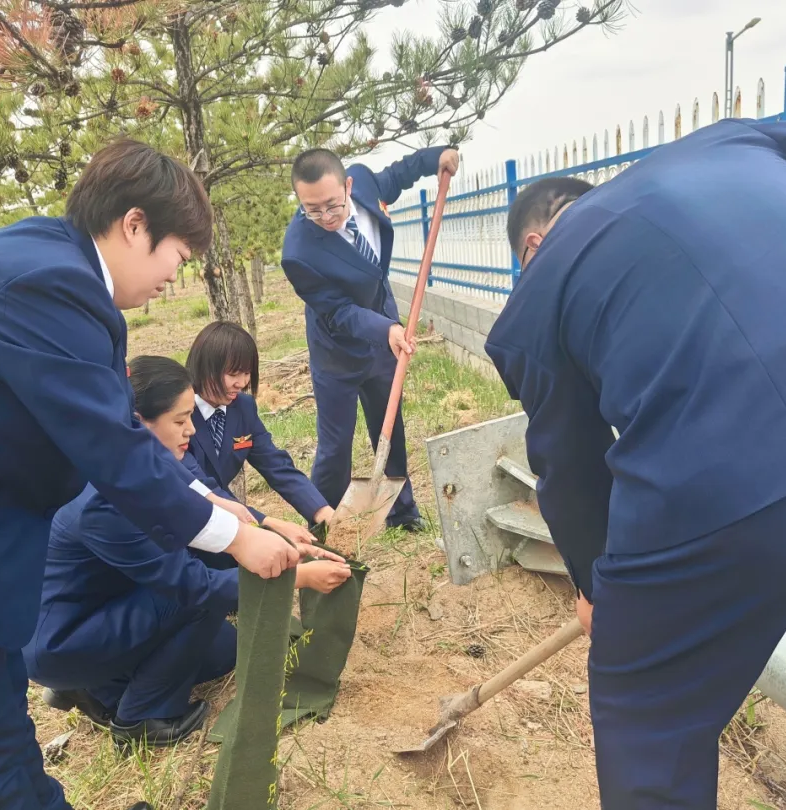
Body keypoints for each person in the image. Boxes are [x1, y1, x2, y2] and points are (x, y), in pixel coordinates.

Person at [0, 139, 320, 810]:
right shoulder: (51, 284)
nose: (173, 280)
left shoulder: (50, 267)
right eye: (177, 258)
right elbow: (112, 450)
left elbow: (123, 434)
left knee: (2, 745)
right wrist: (236, 540)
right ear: (133, 225)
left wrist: (219, 505)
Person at [486, 118, 786, 810]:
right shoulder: (735, 145)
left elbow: (567, 467)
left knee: (646, 712)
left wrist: (601, 588)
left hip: (725, 484)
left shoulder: (543, 284)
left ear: (532, 245)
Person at [24, 355, 349, 747]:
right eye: (179, 421)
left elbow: (205, 504)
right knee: (201, 595)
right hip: (64, 640)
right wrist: (296, 578)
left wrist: (267, 529)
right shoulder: (103, 500)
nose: (191, 430)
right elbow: (194, 586)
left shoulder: (137, 457)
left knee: (224, 653)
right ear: (140, 422)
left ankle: (96, 688)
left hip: (103, 606)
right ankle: (141, 718)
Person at [281, 145, 460, 532]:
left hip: (383, 340)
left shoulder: (363, 181)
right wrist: (387, 329)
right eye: (312, 209)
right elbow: (338, 312)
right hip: (337, 352)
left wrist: (435, 160)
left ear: (347, 185)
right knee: (335, 446)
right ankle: (323, 523)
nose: (324, 217)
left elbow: (397, 174)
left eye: (331, 204)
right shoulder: (298, 252)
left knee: (390, 426)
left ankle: (401, 511)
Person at [185, 320, 350, 578]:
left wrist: (323, 512)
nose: (242, 383)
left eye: (247, 373)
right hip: (185, 521)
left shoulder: (243, 408)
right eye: (233, 374)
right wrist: (266, 523)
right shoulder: (179, 414)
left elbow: (276, 466)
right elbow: (199, 485)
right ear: (206, 368)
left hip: (226, 518)